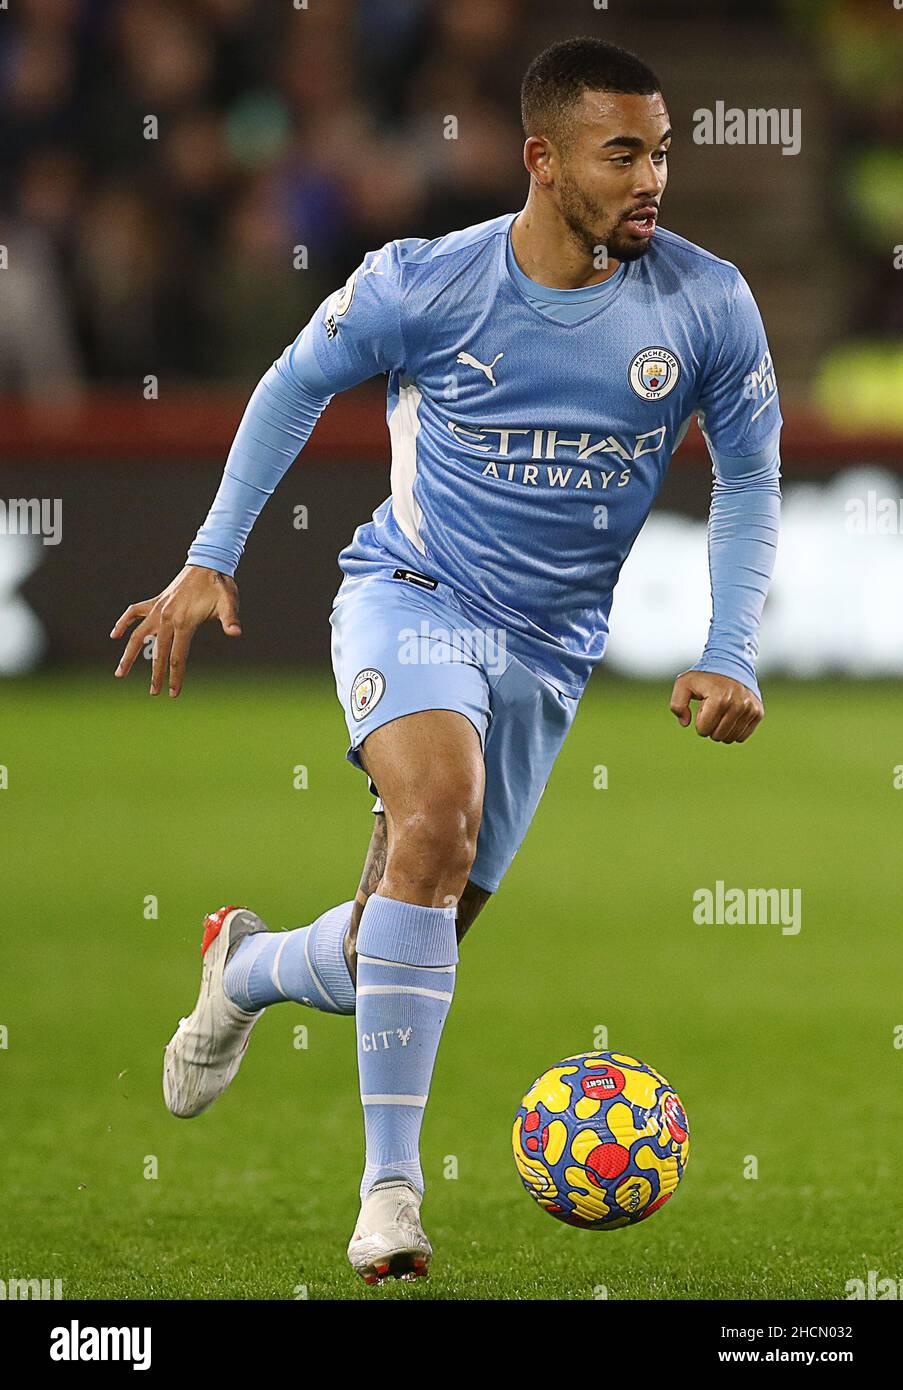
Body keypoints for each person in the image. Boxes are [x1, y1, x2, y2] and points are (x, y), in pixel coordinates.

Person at [111, 38, 781, 1285]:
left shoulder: (708, 303)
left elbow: (747, 474)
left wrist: (728, 646)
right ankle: (390, 1196)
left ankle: (245, 964)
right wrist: (211, 556)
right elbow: (293, 383)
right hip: (416, 594)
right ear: (543, 159)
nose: (654, 180)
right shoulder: (427, 283)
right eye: (623, 153)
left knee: (391, 946)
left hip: (551, 650)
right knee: (437, 821)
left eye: (664, 151)